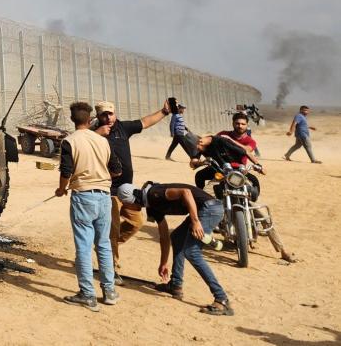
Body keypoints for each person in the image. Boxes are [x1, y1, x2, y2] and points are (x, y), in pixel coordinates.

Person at [116, 181, 233, 316]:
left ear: (131, 200)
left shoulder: (155, 194)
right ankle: (175, 285)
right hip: (203, 209)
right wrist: (163, 262)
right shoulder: (151, 206)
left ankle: (221, 299)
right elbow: (164, 236)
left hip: (210, 209)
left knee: (192, 252)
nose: (127, 208)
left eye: (125, 204)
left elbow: (186, 192)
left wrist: (195, 222)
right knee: (177, 237)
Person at [93, 99, 172, 281]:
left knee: (136, 223)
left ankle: (105, 246)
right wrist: (97, 134)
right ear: (98, 116)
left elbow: (144, 122)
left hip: (127, 190)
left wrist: (164, 112)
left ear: (115, 113)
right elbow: (78, 141)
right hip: (107, 190)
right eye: (104, 114)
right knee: (112, 229)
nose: (108, 118)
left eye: (110, 113)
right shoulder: (92, 133)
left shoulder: (122, 128)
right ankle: (111, 267)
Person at [55, 101, 121, 311]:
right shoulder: (102, 140)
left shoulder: (69, 141)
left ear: (73, 119)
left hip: (83, 197)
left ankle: (87, 294)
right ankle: (109, 291)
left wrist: (61, 189)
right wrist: (99, 176)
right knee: (103, 244)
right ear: (90, 118)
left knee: (83, 246)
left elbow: (66, 171)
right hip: (104, 196)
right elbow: (117, 170)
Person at [199, 117, 295, 262]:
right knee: (203, 198)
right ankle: (199, 235)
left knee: (262, 212)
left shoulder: (250, 141)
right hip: (222, 174)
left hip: (241, 174)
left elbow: (246, 151)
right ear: (233, 123)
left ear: (247, 126)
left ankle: (283, 250)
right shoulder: (223, 133)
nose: (240, 126)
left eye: (243, 124)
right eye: (237, 123)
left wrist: (258, 164)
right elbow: (208, 142)